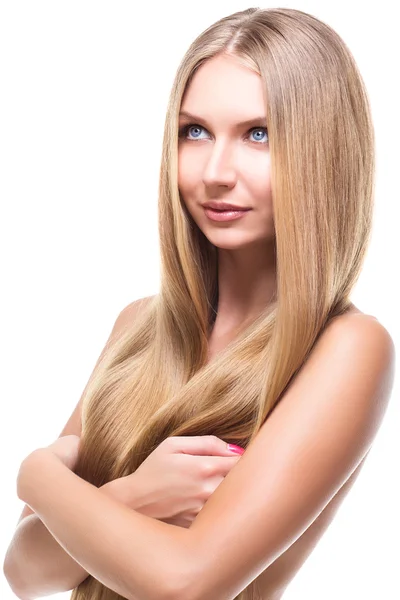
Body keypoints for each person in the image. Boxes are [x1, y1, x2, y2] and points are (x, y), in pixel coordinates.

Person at [5, 7, 395, 600]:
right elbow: (24, 572)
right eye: (195, 131)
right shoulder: (136, 325)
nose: (215, 172)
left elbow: (186, 584)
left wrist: (37, 475)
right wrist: (136, 495)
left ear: (324, 153)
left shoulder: (347, 346)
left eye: (258, 135)